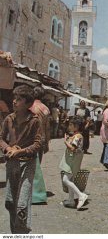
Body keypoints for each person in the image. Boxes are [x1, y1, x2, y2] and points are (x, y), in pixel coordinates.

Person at [0, 85, 42, 234]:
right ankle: (15, 232)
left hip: (27, 163)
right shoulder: (8, 119)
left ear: (28, 103)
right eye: (14, 98)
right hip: (11, 163)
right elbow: (1, 138)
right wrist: (7, 149)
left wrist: (21, 151)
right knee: (10, 202)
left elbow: (38, 144)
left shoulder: (34, 120)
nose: (14, 102)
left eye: (19, 99)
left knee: (22, 204)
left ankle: (21, 232)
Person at [59, 116, 88, 210]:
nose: (69, 126)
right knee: (70, 180)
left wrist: (65, 142)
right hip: (73, 160)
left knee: (65, 180)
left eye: (71, 125)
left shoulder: (78, 136)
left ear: (77, 126)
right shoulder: (76, 135)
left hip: (72, 161)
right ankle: (71, 200)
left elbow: (72, 148)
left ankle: (80, 195)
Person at [29, 86, 50, 204]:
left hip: (28, 140)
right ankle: (35, 192)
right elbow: (47, 127)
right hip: (40, 140)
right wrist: (47, 142)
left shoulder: (29, 106)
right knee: (37, 166)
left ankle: (28, 191)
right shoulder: (45, 109)